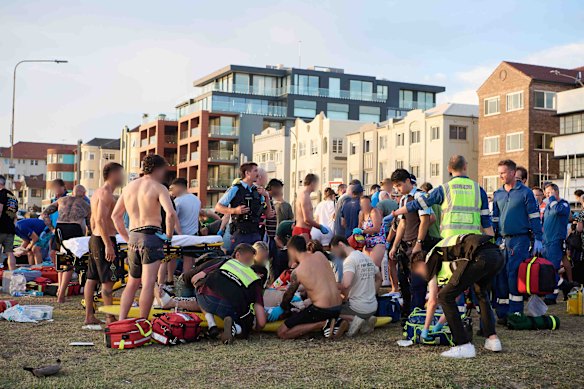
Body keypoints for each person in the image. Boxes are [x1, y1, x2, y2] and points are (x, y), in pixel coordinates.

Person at [412, 233, 504, 358]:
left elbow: (434, 301)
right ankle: (492, 339)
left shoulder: (430, 259)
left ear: (420, 265)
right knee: (480, 293)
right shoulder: (446, 258)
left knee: (444, 296)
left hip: (477, 255)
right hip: (496, 254)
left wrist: (426, 329)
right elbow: (454, 297)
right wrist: (440, 323)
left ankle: (463, 345)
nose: (423, 276)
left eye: (419, 272)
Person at [112, 154, 177, 320]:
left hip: (134, 236)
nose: (164, 174)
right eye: (164, 170)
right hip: (151, 236)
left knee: (132, 283)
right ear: (158, 168)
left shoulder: (128, 188)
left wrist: (127, 238)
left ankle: (121, 320)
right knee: (148, 284)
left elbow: (116, 216)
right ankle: (142, 322)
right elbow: (170, 214)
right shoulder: (158, 187)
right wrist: (168, 237)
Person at [492, 160, 542, 322]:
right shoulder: (498, 194)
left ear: (513, 173)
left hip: (519, 240)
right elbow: (495, 218)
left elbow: (534, 217)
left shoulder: (525, 192)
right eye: (499, 173)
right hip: (501, 240)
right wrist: (493, 238)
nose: (500, 176)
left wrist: (538, 239)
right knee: (500, 275)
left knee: (514, 274)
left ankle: (515, 312)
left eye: (504, 172)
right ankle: (502, 312)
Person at [276, 236, 348, 339]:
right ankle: (336, 322)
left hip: (321, 310)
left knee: (282, 332)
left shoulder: (298, 272)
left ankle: (323, 324)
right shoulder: (320, 255)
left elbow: (288, 296)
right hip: (337, 307)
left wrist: (283, 308)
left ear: (291, 250)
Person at [193, 243, 267, 344]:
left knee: (200, 287)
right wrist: (256, 328)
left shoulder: (226, 262)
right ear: (237, 255)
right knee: (244, 321)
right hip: (229, 307)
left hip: (207, 299)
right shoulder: (255, 280)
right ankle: (237, 328)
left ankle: (211, 324)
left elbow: (195, 279)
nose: (249, 263)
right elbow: (261, 321)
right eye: (248, 260)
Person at [84, 162, 124, 325]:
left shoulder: (98, 193)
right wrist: (108, 244)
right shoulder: (105, 193)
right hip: (103, 239)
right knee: (108, 282)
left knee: (92, 278)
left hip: (96, 239)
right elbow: (100, 220)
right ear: (114, 174)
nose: (123, 177)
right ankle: (109, 318)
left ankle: (89, 316)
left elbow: (94, 220)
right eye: (121, 173)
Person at [388, 169, 432, 315]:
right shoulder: (403, 199)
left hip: (417, 244)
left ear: (408, 181)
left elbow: (427, 219)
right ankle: (407, 313)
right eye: (396, 187)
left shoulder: (420, 196)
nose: (398, 189)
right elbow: (402, 224)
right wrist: (394, 245)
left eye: (399, 185)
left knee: (417, 283)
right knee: (403, 280)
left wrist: (419, 242)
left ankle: (417, 314)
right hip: (405, 244)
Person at [42, 184, 91, 303]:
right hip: (74, 229)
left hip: (60, 228)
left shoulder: (61, 200)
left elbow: (44, 214)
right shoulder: (86, 205)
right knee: (70, 262)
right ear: (84, 194)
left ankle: (60, 289)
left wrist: (52, 228)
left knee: (61, 260)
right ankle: (61, 294)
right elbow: (90, 225)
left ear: (72, 192)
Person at [330, 236, 381, 337]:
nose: (335, 255)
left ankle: (354, 320)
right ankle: (366, 321)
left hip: (358, 308)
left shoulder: (349, 261)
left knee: (328, 312)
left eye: (335, 251)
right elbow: (379, 278)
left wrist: (330, 284)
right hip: (373, 306)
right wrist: (371, 294)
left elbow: (346, 284)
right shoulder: (366, 257)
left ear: (340, 245)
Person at [215, 162, 272, 250]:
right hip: (240, 233)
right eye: (255, 171)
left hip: (255, 233)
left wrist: (266, 197)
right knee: (239, 260)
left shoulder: (258, 191)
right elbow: (218, 207)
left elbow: (268, 215)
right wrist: (235, 211)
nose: (258, 174)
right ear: (247, 173)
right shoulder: (235, 189)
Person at [165, 178, 201, 286]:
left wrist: (178, 233)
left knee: (171, 257)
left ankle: (170, 279)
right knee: (189, 259)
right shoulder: (197, 200)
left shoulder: (178, 201)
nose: (172, 191)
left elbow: (173, 218)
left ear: (179, 187)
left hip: (178, 234)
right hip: (193, 234)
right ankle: (186, 282)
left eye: (173, 188)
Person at [542, 183, 571, 305]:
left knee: (552, 268)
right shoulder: (549, 206)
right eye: (546, 193)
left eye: (550, 193)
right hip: (546, 241)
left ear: (556, 192)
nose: (547, 196)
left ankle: (553, 294)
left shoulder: (563, 204)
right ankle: (561, 286)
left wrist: (553, 199)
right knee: (548, 269)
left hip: (555, 241)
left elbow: (558, 211)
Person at [293, 174, 329, 241]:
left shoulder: (304, 195)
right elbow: (306, 219)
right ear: (312, 183)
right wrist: (320, 227)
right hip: (302, 231)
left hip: (304, 230)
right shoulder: (305, 196)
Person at [354, 196, 385, 268]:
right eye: (363, 203)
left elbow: (377, 228)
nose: (365, 205)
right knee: (366, 268)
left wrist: (362, 231)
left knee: (374, 268)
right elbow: (360, 226)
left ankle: (380, 279)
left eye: (367, 203)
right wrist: (357, 234)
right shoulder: (361, 213)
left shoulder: (374, 212)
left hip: (377, 241)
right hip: (366, 242)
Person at [47, 179, 69, 264]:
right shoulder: (54, 200)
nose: (55, 190)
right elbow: (49, 215)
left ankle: (64, 269)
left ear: (63, 187)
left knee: (62, 252)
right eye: (54, 188)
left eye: (57, 187)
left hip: (65, 228)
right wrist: (50, 228)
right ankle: (56, 269)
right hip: (54, 230)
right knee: (52, 253)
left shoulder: (67, 198)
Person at [0, 175, 19, 270]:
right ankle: (13, 274)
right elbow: (15, 215)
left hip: (1, 227)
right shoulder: (13, 196)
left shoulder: (1, 194)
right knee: (9, 252)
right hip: (10, 228)